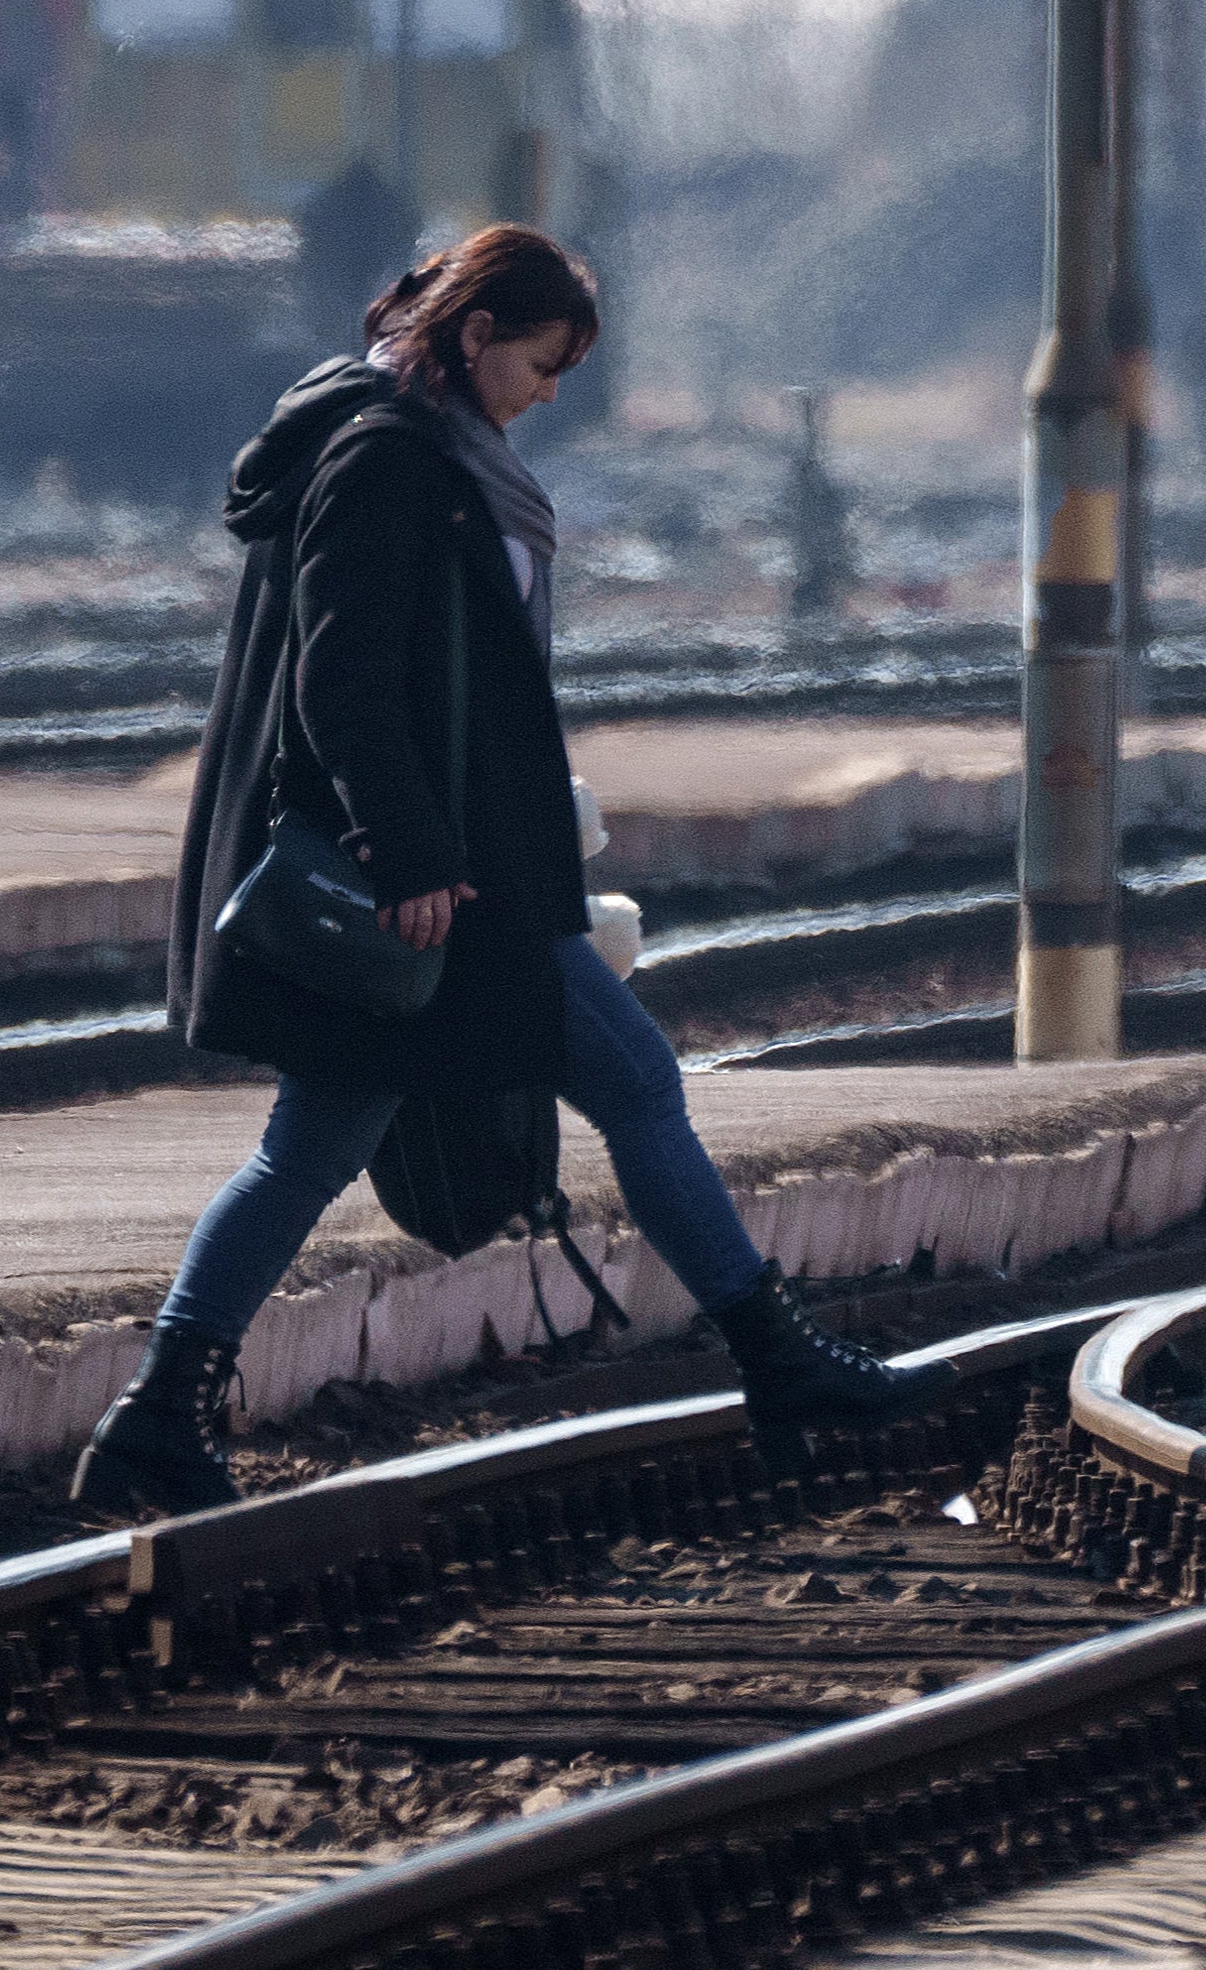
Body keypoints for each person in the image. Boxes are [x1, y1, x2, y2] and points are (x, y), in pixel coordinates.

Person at [70, 226, 899, 1518]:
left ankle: (154, 1416)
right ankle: (778, 1361)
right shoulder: (388, 455)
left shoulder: (429, 448)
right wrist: (406, 850)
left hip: (464, 869)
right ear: (472, 335)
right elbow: (341, 678)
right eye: (540, 361)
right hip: (440, 882)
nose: (548, 393)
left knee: (314, 1149)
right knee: (629, 1083)